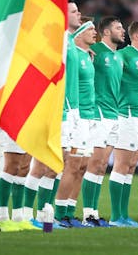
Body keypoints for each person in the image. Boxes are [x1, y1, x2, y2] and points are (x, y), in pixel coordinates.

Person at [25, 0, 82, 228]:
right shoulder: (56, 41)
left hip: (69, 111)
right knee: (42, 164)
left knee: (57, 164)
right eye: (74, 11)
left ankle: (42, 215)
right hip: (55, 110)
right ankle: (25, 214)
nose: (79, 15)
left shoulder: (69, 42)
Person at [83, 16, 125, 227]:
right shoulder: (96, 51)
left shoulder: (118, 56)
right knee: (95, 164)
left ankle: (94, 212)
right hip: (98, 113)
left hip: (113, 114)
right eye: (118, 28)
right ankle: (87, 213)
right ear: (106, 32)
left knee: (101, 167)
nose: (123, 30)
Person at [55, 18, 96, 228]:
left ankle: (70, 211)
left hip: (86, 116)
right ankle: (58, 213)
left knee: (81, 166)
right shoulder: (72, 54)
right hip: (72, 115)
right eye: (90, 29)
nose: (95, 32)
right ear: (79, 34)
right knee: (69, 165)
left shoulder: (87, 57)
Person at [111, 21, 138, 227]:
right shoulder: (123, 56)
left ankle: (124, 216)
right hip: (126, 116)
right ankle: (115, 216)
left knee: (130, 167)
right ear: (135, 37)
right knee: (120, 166)